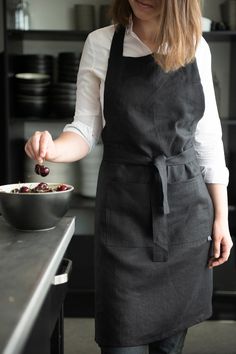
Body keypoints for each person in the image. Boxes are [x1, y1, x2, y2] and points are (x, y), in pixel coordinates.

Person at [25, 0, 233, 353]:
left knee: (170, 345)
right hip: (123, 213)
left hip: (184, 211)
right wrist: (54, 149)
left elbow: (208, 139)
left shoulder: (196, 44)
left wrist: (222, 218)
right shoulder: (101, 43)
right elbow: (85, 127)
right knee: (121, 340)